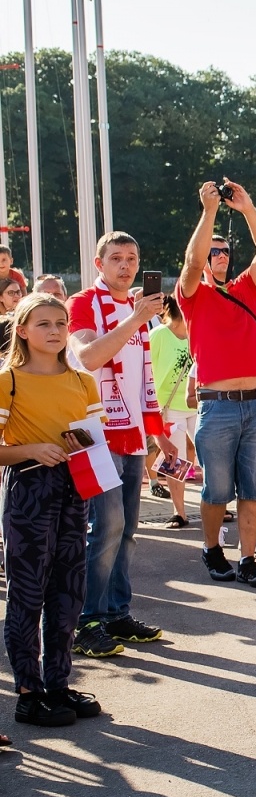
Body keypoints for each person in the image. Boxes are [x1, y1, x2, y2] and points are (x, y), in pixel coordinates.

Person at [1, 294, 109, 726]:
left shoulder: (83, 382)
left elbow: (94, 437)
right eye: (43, 323)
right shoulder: (8, 380)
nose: (55, 330)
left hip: (73, 488)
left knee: (68, 590)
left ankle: (58, 683)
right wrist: (31, 449)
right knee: (27, 591)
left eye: (61, 322)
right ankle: (29, 692)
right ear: (23, 330)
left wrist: (76, 445)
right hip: (29, 487)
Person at [67, 231, 173, 656]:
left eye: (132, 258)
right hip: (95, 433)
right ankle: (86, 620)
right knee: (105, 527)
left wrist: (156, 433)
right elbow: (87, 357)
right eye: (116, 258)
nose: (126, 266)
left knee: (128, 529)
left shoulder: (138, 309)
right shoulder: (82, 304)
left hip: (130, 432)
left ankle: (116, 612)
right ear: (99, 264)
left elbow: (141, 376)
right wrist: (134, 319)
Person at [175, 179, 256, 589]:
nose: (219, 255)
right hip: (217, 404)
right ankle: (212, 548)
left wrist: (248, 209)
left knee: (254, 489)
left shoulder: (246, 289)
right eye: (212, 251)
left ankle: (248, 557)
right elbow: (189, 262)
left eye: (224, 251)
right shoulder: (193, 294)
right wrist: (209, 211)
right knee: (216, 490)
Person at [149, 296, 199, 527]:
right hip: (169, 408)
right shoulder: (159, 335)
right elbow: (147, 372)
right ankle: (180, 512)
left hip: (199, 404)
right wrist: (151, 407)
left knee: (212, 457)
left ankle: (217, 506)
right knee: (175, 461)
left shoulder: (198, 333)